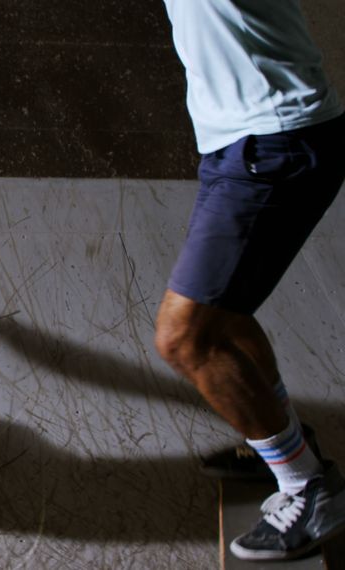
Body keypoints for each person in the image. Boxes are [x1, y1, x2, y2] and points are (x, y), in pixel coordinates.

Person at [154, 0, 345, 561]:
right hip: (242, 144)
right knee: (225, 315)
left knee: (185, 338)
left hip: (273, 142)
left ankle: (308, 487)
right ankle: (284, 441)